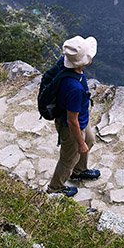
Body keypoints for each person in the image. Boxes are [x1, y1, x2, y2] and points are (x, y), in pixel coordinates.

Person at [47, 35, 101, 197]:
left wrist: (84, 141)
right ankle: (55, 188)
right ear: (84, 61)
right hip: (71, 126)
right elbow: (72, 121)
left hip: (80, 119)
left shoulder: (66, 67)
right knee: (68, 158)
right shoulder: (74, 89)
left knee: (90, 140)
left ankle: (79, 171)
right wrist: (79, 142)